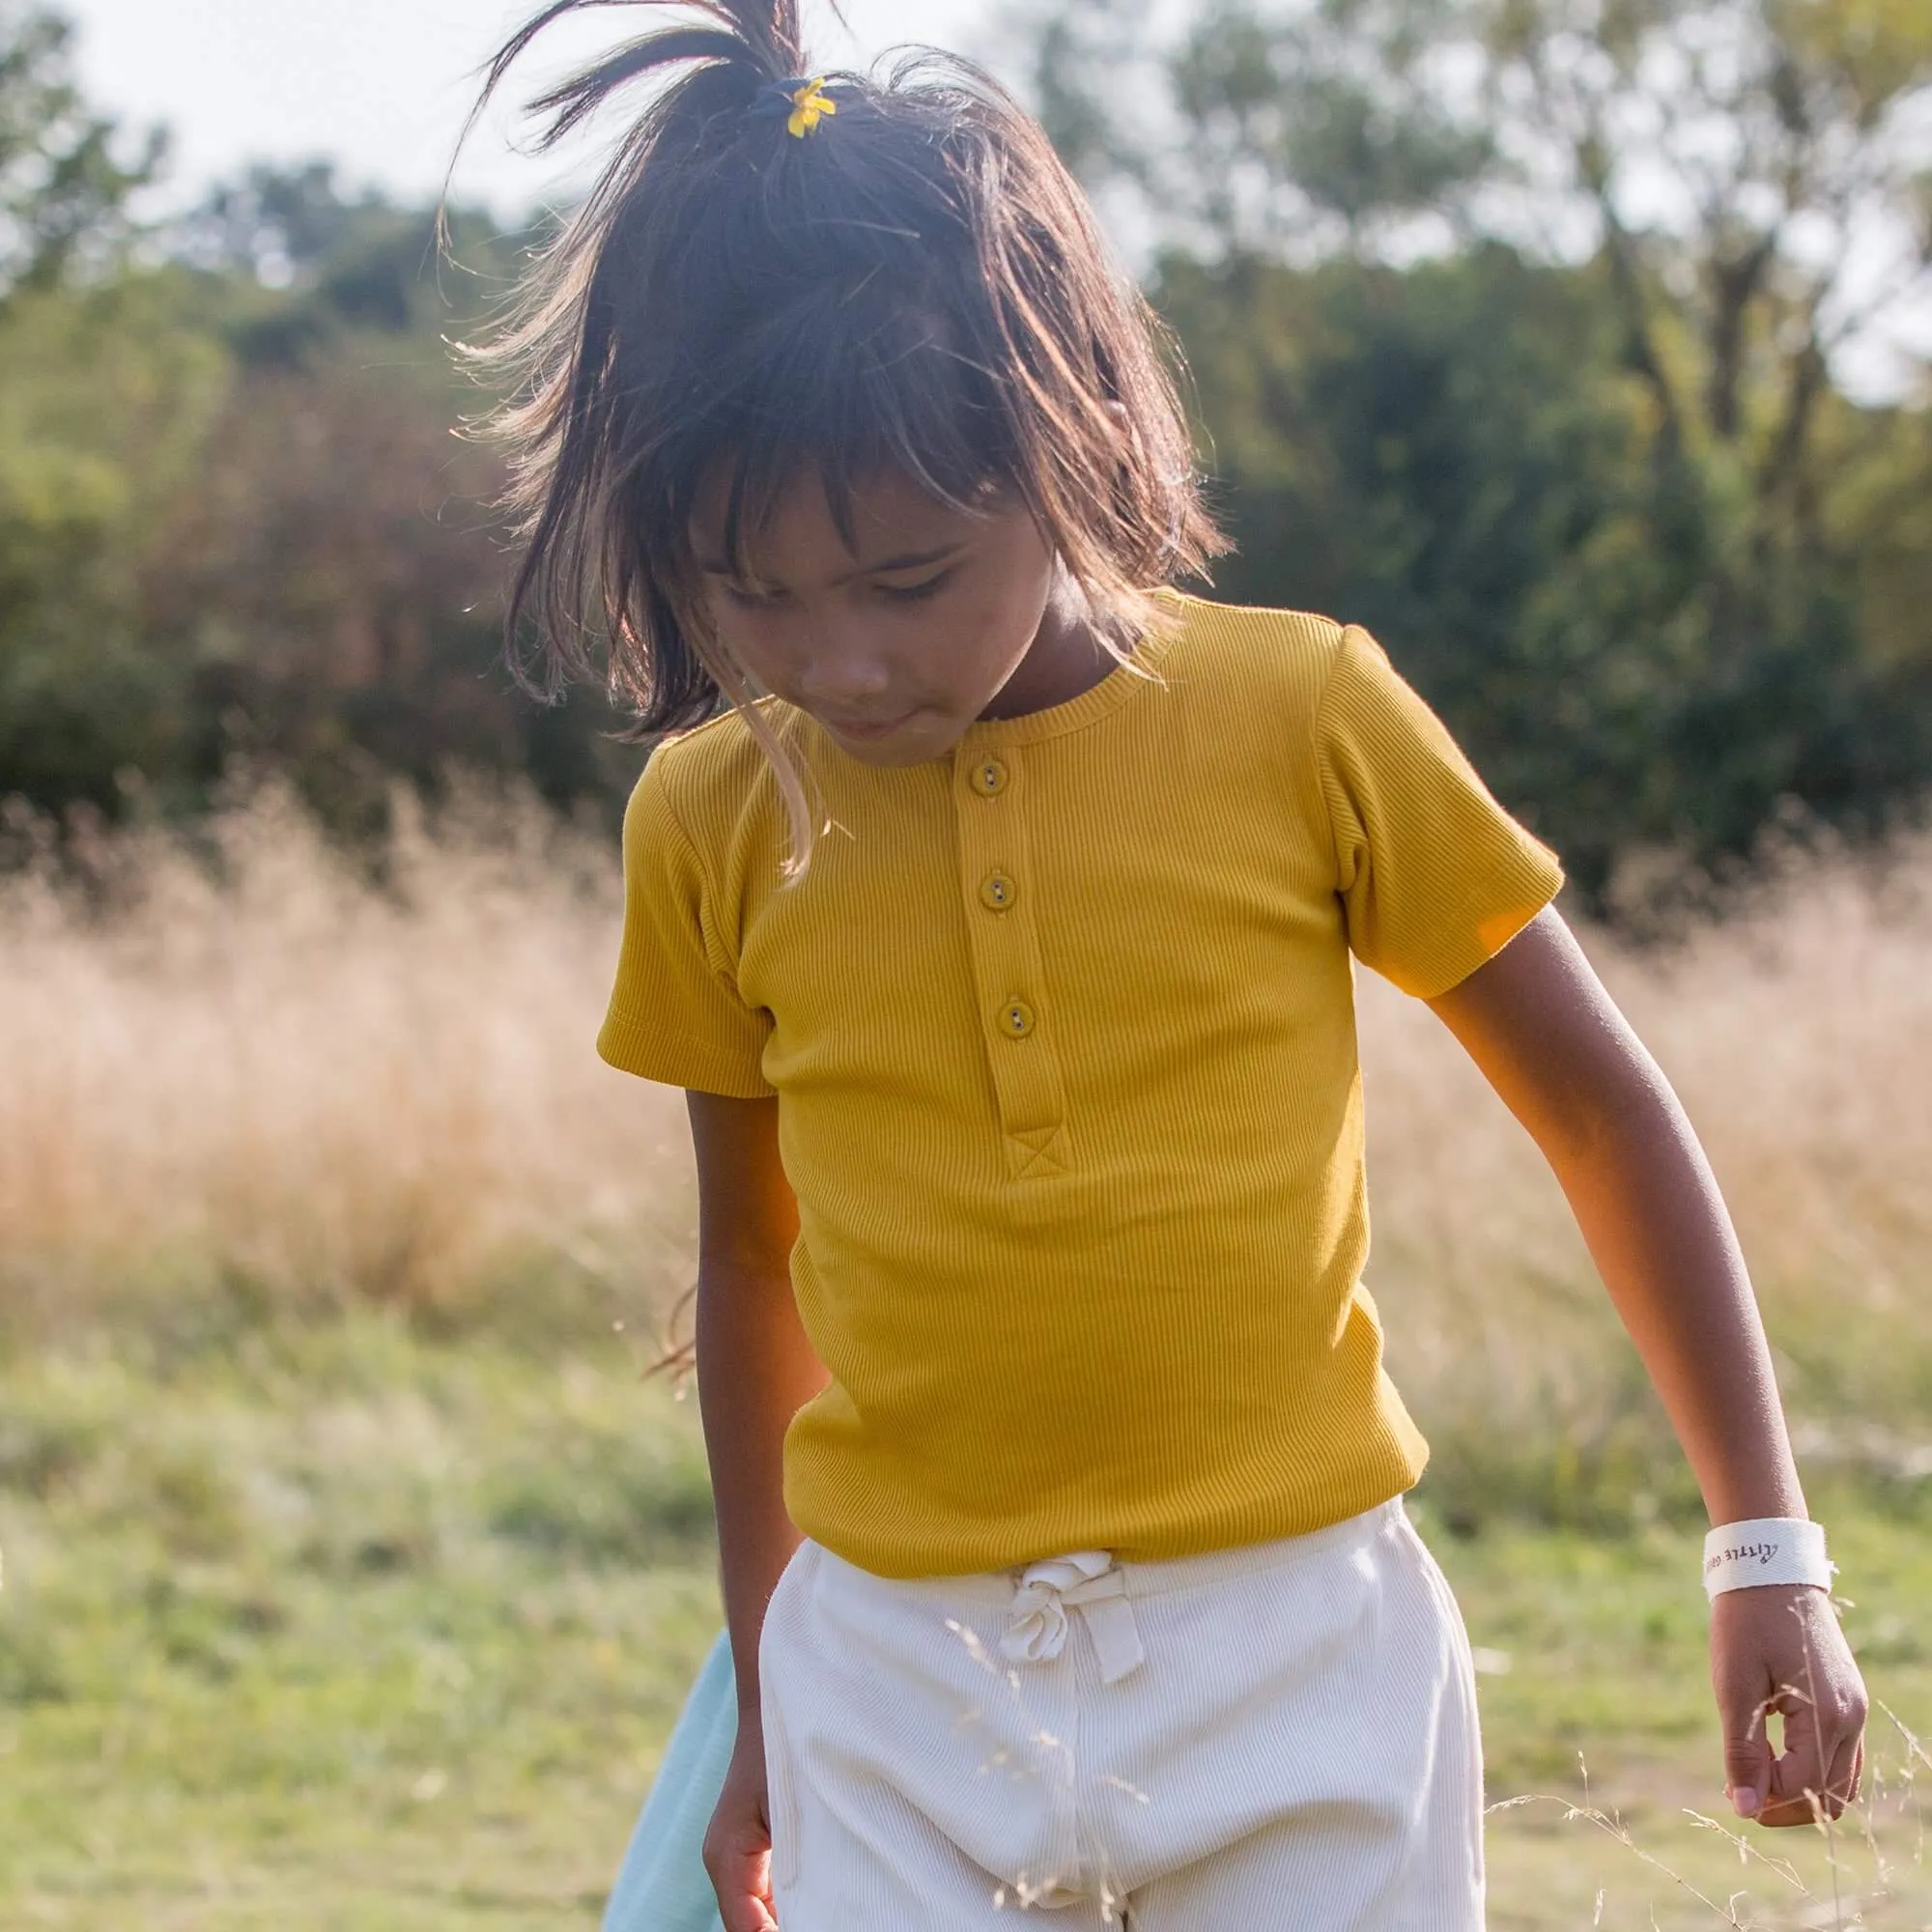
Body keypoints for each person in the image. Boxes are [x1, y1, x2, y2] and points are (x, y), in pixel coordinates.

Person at [468, 5, 1868, 1926]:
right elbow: (750, 1259)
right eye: (755, 594)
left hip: (1301, 1654)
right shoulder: (710, 817)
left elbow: (1603, 1113)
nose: (842, 661)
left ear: (1073, 441)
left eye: (904, 582)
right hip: (890, 1684)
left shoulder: (1304, 717)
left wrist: (1762, 1543)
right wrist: (762, 1687)